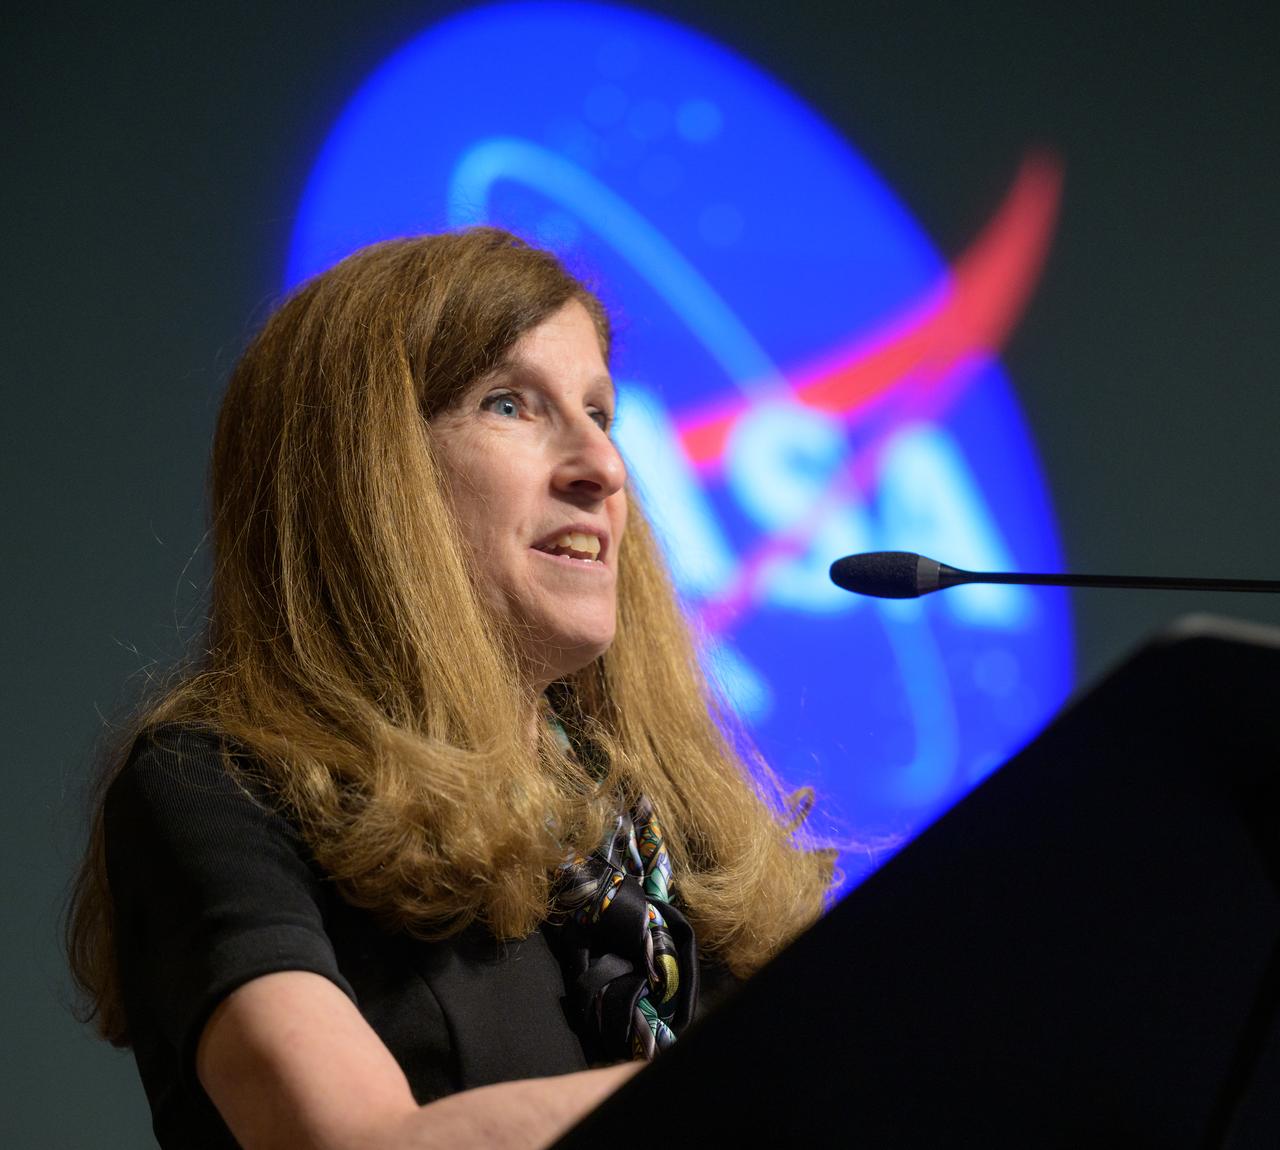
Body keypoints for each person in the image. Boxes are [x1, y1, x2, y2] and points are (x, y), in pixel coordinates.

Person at [67, 228, 833, 1149]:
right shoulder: (217, 788)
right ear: (365, 476)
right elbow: (355, 1142)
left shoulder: (669, 838)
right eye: (509, 404)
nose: (605, 468)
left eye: (601, 413)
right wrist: (767, 1085)